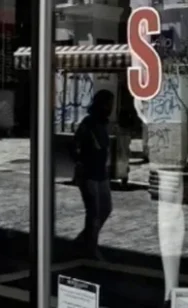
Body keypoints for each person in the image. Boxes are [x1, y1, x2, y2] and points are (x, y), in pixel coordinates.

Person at [72, 89, 115, 260]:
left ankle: (84, 239)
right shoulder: (88, 123)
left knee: (105, 208)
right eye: (108, 104)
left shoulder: (103, 124)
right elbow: (75, 145)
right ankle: (91, 247)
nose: (110, 108)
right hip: (89, 173)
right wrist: (80, 163)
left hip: (101, 173)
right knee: (94, 212)